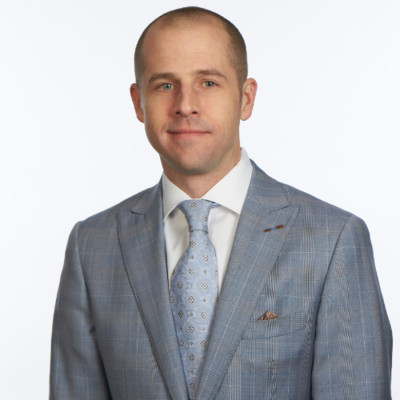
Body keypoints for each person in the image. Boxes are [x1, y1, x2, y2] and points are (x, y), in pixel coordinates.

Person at [49, 6, 392, 399]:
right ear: (138, 102)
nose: (185, 105)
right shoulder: (92, 246)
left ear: (245, 98)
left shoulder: (332, 240)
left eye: (208, 83)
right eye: (165, 85)